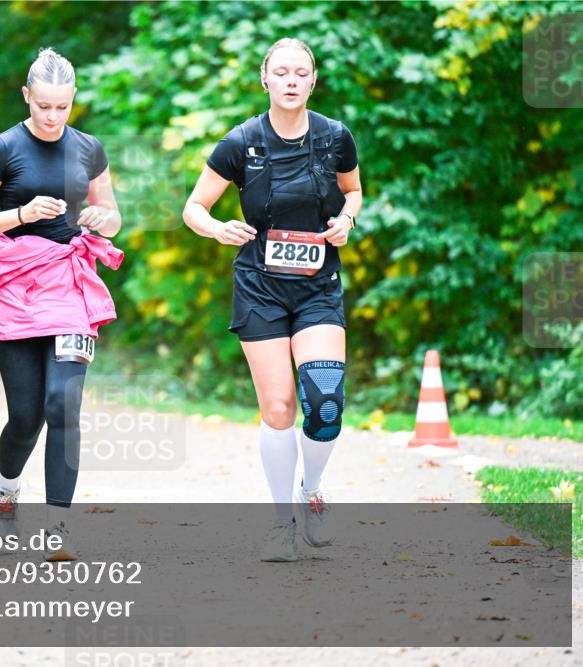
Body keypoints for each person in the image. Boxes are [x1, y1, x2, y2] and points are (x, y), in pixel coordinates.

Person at [183, 38, 363, 562]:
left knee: (325, 399)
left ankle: (313, 491)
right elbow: (194, 207)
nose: (290, 80)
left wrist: (347, 220)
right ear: (265, 79)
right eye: (280, 71)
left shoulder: (335, 138)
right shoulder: (240, 142)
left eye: (299, 72)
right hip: (260, 286)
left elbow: (353, 191)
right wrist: (217, 229)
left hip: (317, 285)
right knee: (280, 406)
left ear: (312, 80)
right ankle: (280, 521)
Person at [0, 48, 123, 561]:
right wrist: (22, 213)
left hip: (70, 284)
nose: (52, 117)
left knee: (63, 404)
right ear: (27, 97)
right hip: (15, 285)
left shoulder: (89, 149)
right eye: (43, 106)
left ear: (74, 102)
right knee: (26, 416)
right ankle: (7, 490)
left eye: (63, 107)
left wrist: (99, 220)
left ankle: (60, 528)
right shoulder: (3, 148)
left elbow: (111, 215)